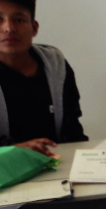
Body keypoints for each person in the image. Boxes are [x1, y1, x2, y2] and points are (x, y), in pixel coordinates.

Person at [0, 0, 86, 157]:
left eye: (19, 20)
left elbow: (72, 127)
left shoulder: (55, 64)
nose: (9, 28)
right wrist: (15, 150)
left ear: (34, 28)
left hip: (56, 165)